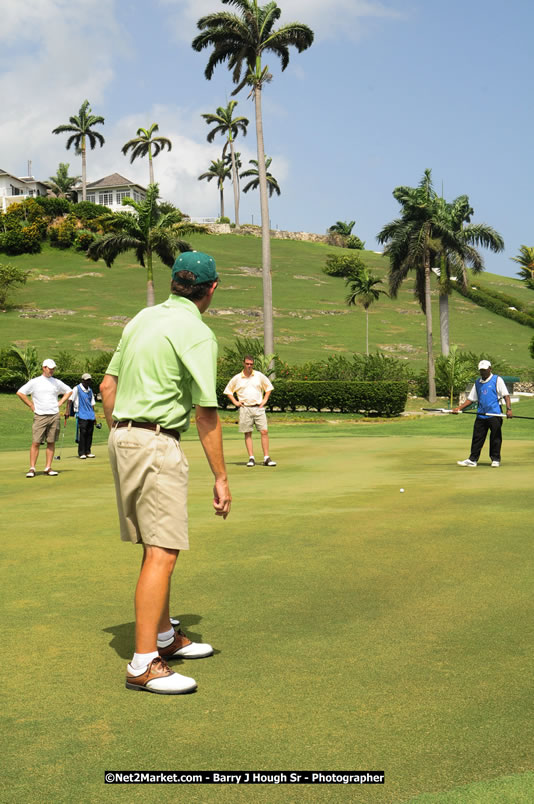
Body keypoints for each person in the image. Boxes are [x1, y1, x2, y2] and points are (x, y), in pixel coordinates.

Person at [100, 250, 231, 696]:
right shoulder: (197, 332)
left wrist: (122, 431)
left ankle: (163, 638)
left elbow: (107, 386)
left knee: (154, 545)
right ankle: (144, 664)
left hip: (122, 436)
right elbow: (206, 413)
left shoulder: (141, 318)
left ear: (176, 281)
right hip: (157, 440)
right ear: (210, 289)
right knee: (164, 552)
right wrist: (221, 477)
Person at [16, 358, 72, 478]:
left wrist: (61, 402)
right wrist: (31, 405)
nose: (51, 371)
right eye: (49, 368)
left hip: (54, 415)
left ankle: (48, 467)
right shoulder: (35, 382)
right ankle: (32, 468)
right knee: (36, 442)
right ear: (44, 368)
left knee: (51, 442)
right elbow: (20, 392)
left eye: (53, 369)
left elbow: (69, 391)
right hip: (40, 415)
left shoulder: (56, 382)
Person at [454, 359, 513, 467]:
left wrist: (509, 409)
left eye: (485, 370)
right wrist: (459, 408)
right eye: (481, 370)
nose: (483, 372)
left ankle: (495, 459)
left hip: (495, 414)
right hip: (481, 415)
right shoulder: (478, 383)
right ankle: (473, 459)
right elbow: (471, 399)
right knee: (477, 437)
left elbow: (506, 395)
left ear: (490, 369)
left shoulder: (497, 380)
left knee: (495, 437)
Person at [224, 355, 276, 467]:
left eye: (251, 364)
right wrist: (235, 402)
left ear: (253, 364)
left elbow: (268, 387)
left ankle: (266, 457)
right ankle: (251, 458)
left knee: (264, 431)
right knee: (248, 432)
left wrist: (265, 399)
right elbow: (228, 391)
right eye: (247, 364)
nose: (249, 366)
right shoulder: (237, 378)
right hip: (245, 408)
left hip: (258, 407)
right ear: (243, 363)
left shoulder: (259, 376)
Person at [69, 373, 97, 459]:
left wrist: (94, 416)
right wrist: (68, 412)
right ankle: (81, 453)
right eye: (86, 380)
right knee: (83, 433)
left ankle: (88, 451)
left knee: (89, 433)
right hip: (81, 414)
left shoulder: (90, 390)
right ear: (82, 380)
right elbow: (70, 400)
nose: (88, 382)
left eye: (89, 380)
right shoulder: (76, 388)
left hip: (90, 415)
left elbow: (92, 403)